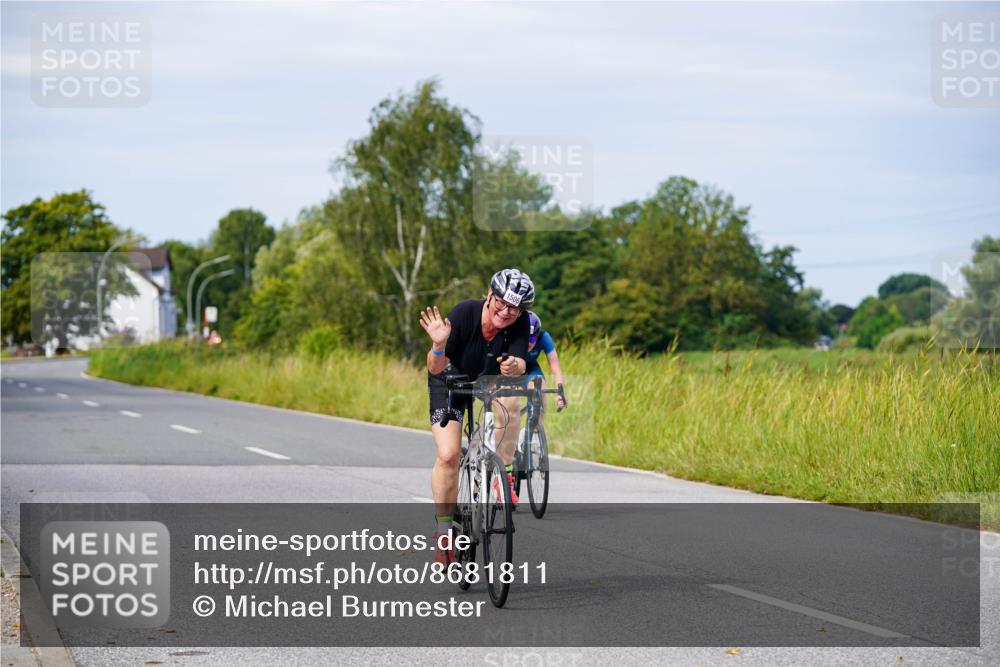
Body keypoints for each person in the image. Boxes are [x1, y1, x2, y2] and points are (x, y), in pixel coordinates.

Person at [418, 268, 534, 566]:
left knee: (510, 400)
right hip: (449, 379)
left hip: (488, 379)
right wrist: (439, 343)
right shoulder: (464, 313)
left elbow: (521, 361)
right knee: (448, 455)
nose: (506, 312)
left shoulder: (518, 323)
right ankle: (444, 535)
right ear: (489, 294)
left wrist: (515, 366)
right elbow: (434, 367)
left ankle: (503, 475)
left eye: (515, 308)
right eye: (501, 303)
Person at [524, 311, 566, 417]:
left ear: (538, 335)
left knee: (539, 387)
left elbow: (555, 366)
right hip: (510, 369)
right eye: (525, 338)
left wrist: (560, 392)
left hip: (530, 368)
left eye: (532, 338)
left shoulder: (544, 337)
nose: (529, 342)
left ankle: (535, 428)